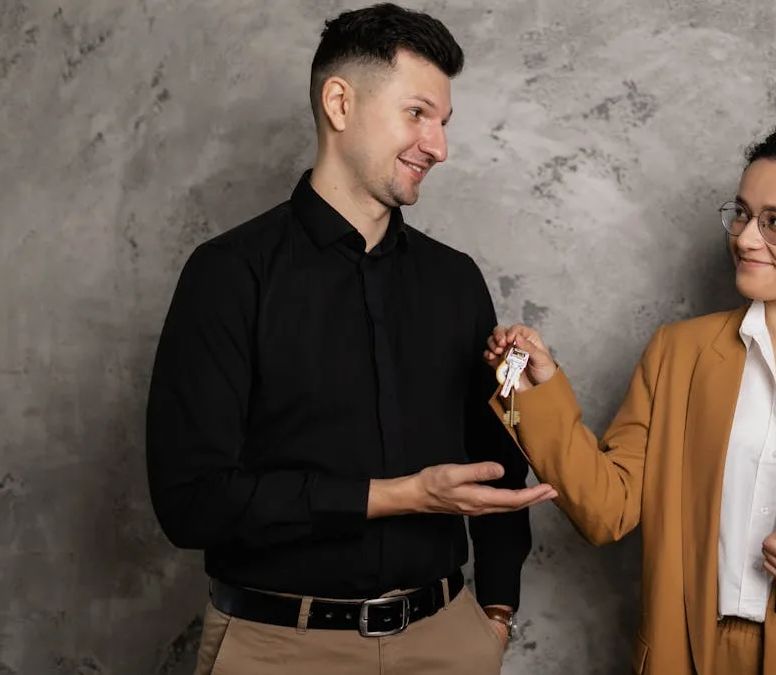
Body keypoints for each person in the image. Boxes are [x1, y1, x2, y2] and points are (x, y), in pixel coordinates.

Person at [145, 4, 557, 674]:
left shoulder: (457, 281)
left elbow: (498, 449)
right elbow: (191, 502)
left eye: (444, 123)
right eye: (417, 113)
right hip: (280, 646)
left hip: (450, 640)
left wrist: (498, 612)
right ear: (340, 103)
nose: (439, 146)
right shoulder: (227, 275)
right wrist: (402, 494)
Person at [484, 123, 776, 675]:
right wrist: (533, 391)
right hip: (689, 654)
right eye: (741, 213)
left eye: (775, 223)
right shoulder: (677, 352)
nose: (745, 237)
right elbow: (606, 511)